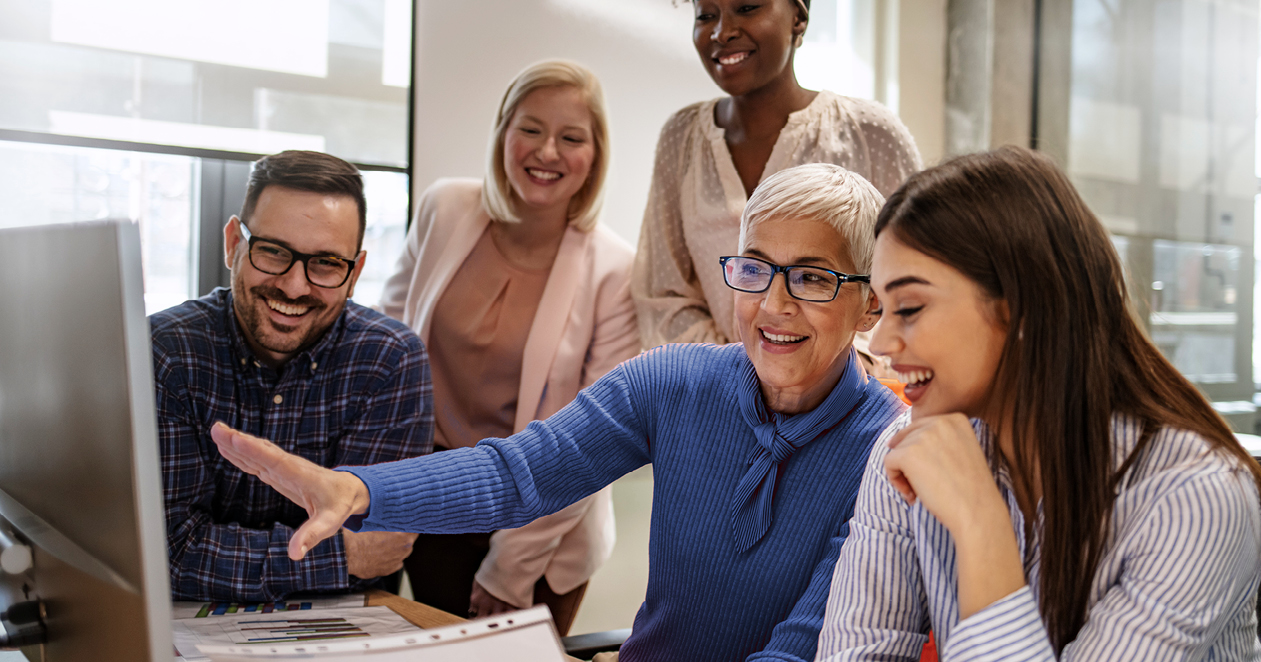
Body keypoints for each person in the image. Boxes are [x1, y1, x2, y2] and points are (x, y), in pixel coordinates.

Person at [211, 164, 905, 662]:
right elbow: (518, 475)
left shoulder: (887, 451)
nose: (774, 304)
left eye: (812, 278)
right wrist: (363, 491)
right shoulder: (673, 381)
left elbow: (802, 651)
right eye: (754, 268)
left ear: (871, 302)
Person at [816, 147, 1261, 661]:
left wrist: (980, 523)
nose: (881, 342)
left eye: (908, 308)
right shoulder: (912, 446)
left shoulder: (1195, 494)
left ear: (1022, 308)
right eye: (881, 309)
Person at [378, 60, 638, 633]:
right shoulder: (444, 208)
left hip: (541, 528)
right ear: (502, 131)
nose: (547, 151)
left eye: (571, 138)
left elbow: (593, 440)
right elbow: (383, 350)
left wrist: (510, 567)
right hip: (429, 501)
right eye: (530, 129)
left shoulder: (616, 270)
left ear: (594, 155)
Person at [151, 150, 432, 601]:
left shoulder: (390, 360)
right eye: (273, 252)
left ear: (355, 273)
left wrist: (225, 554)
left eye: (325, 263)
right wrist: (339, 558)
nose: (294, 286)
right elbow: (165, 552)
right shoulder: (166, 352)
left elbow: (381, 548)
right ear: (233, 244)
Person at [632, 0, 922, 352]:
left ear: (798, 18)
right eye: (706, 16)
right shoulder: (682, 138)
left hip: (850, 393)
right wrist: (740, 375)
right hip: (714, 391)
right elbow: (662, 294)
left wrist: (821, 377)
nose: (722, 32)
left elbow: (912, 286)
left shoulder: (870, 134)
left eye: (747, 7)